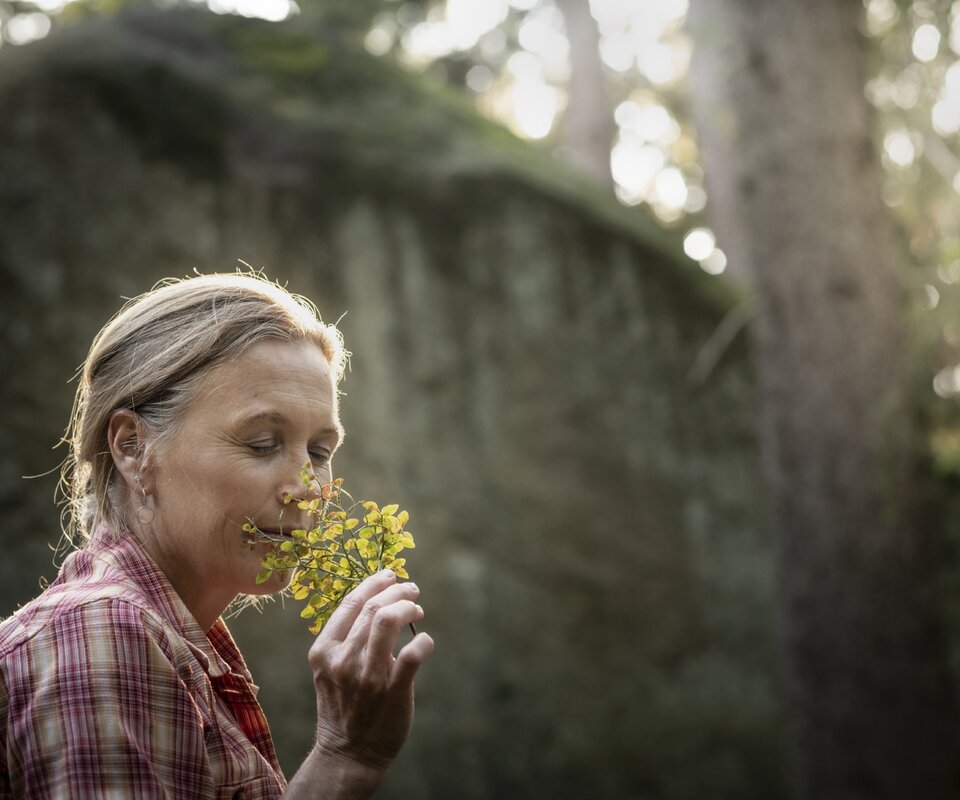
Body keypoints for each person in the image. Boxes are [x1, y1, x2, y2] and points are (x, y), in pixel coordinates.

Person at [0, 273, 434, 798]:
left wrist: (353, 753)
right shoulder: (103, 630)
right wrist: (342, 758)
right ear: (133, 448)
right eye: (261, 443)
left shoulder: (172, 643)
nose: (308, 490)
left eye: (319, 453)